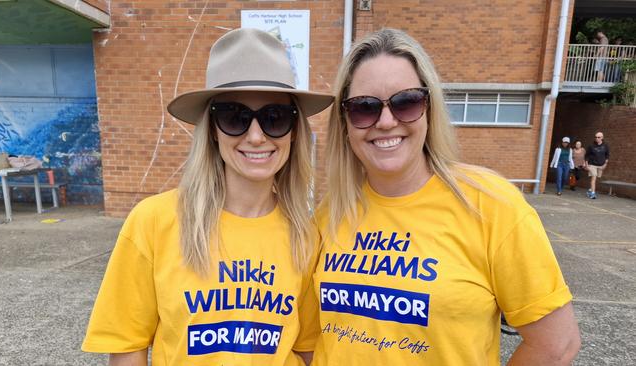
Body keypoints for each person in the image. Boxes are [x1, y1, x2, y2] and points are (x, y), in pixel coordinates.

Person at [311, 28, 580, 365]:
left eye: (406, 102)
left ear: (429, 107)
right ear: (345, 122)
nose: (385, 121)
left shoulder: (489, 203)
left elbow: (556, 346)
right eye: (364, 107)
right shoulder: (331, 213)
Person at [81, 28, 334, 365]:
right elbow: (128, 346)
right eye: (235, 118)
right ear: (213, 130)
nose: (256, 136)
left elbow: (305, 349)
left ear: (295, 131)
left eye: (275, 118)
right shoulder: (155, 221)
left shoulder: (307, 234)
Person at [585, 131, 610, 199]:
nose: (597, 138)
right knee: (594, 177)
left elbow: (607, 155)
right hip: (592, 164)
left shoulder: (605, 146)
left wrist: (605, 164)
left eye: (598, 137)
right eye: (596, 137)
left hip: (601, 165)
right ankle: (593, 193)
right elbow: (586, 155)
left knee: (597, 178)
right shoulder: (591, 146)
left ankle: (590, 190)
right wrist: (586, 164)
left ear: (602, 138)